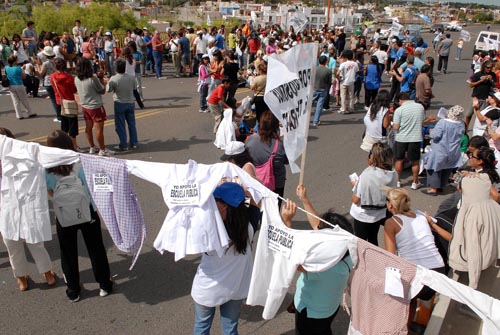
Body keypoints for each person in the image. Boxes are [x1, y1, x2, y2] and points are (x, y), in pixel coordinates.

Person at [45, 130, 113, 302]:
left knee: (68, 252)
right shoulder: (82, 162)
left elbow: (50, 191)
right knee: (96, 248)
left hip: (63, 215)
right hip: (87, 211)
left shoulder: (46, 169)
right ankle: (104, 285)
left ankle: (73, 290)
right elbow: (92, 186)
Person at [281, 186, 353, 335]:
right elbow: (317, 225)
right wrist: (304, 199)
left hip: (310, 311)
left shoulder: (319, 263)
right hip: (329, 308)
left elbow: (291, 259)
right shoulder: (349, 252)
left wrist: (286, 222)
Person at [191, 182, 253, 335]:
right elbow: (256, 201)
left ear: (224, 206)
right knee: (230, 329)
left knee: (201, 327)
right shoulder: (249, 227)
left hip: (206, 290)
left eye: (214, 200)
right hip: (235, 288)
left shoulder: (208, 229)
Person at [0, 127, 55, 292]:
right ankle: (46, 274)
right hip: (21, 205)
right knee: (32, 241)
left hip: (10, 207)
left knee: (14, 244)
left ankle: (23, 277)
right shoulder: (25, 156)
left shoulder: (23, 156)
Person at [384, 187, 445, 323]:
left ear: (390, 204)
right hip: (438, 270)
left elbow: (390, 256)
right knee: (425, 297)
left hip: (417, 274)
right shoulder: (421, 215)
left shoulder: (391, 223)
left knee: (407, 301)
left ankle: (407, 326)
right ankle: (422, 322)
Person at [449, 146, 500, 289]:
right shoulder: (485, 178)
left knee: (472, 246)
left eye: (473, 156)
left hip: (472, 265)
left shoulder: (473, 214)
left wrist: (473, 284)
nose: (469, 157)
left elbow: (473, 250)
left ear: (481, 161)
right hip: (489, 255)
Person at [351, 143, 397, 245]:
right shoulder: (393, 174)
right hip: (378, 214)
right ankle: (375, 259)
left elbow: (355, 199)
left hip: (362, 215)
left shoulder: (366, 175)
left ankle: (364, 260)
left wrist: (355, 185)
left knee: (361, 242)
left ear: (373, 157)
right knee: (373, 238)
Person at [245, 110, 288, 202]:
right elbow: (286, 160)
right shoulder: (279, 145)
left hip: (256, 180)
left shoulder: (250, 140)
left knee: (258, 208)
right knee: (274, 210)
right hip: (276, 184)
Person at [74, 58, 114, 156]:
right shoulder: (92, 79)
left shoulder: (76, 79)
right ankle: (102, 149)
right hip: (95, 106)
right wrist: (101, 79)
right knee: (99, 129)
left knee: (88, 127)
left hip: (85, 106)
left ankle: (92, 147)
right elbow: (102, 91)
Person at [422, 105, 465, 195]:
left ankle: (433, 189)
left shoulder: (443, 123)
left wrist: (431, 132)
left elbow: (435, 136)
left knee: (434, 168)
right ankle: (441, 186)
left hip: (440, 149)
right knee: (447, 168)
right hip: (453, 151)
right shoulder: (461, 124)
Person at [393, 92, 425, 189]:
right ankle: (415, 182)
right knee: (415, 161)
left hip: (401, 138)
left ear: (400, 100)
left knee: (399, 160)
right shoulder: (420, 107)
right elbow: (422, 121)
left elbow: (396, 126)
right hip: (415, 138)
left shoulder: (399, 110)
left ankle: (397, 181)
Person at [107, 58, 138, 151]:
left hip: (119, 102)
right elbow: (134, 88)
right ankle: (134, 143)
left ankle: (123, 144)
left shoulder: (114, 78)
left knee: (120, 125)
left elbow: (108, 90)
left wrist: (106, 82)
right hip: (130, 102)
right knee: (131, 124)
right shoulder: (131, 77)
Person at [50, 58, 79, 150]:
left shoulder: (52, 77)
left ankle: (64, 144)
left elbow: (54, 89)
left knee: (64, 124)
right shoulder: (69, 77)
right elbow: (73, 90)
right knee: (73, 125)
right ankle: (74, 145)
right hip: (69, 100)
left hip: (60, 101)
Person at [4, 55, 36, 120]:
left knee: (15, 101)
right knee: (24, 99)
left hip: (11, 85)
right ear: (14, 61)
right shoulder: (18, 68)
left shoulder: (6, 68)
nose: (17, 60)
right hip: (19, 84)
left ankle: (19, 115)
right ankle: (29, 112)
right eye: (16, 60)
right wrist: (23, 70)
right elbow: (24, 77)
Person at [34, 46, 59, 122]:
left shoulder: (46, 63)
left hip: (48, 81)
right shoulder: (57, 61)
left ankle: (59, 116)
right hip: (57, 80)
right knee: (58, 98)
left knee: (54, 100)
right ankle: (62, 114)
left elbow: (41, 74)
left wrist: (37, 65)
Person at [312, 55, 331, 127]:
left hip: (314, 89)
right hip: (323, 90)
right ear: (326, 62)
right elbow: (329, 82)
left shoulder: (314, 69)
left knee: (308, 104)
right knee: (319, 106)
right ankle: (315, 121)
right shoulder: (328, 70)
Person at [337, 50, 358, 115]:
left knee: (343, 96)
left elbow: (338, 73)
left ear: (345, 57)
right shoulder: (355, 64)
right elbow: (357, 71)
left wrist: (339, 78)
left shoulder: (343, 64)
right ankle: (351, 108)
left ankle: (343, 109)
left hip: (343, 81)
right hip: (352, 81)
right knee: (351, 96)